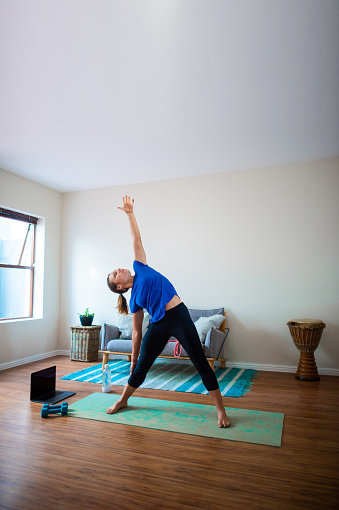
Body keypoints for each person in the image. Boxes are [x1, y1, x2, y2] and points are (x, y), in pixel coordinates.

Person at [106, 196, 231, 428]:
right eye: (115, 275)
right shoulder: (134, 300)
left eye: (115, 270)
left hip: (179, 316)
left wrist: (130, 214)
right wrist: (134, 359)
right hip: (160, 324)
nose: (118, 270)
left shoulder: (139, 266)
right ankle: (123, 400)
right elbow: (136, 332)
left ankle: (221, 410)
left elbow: (136, 238)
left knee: (200, 362)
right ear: (120, 287)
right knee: (142, 367)